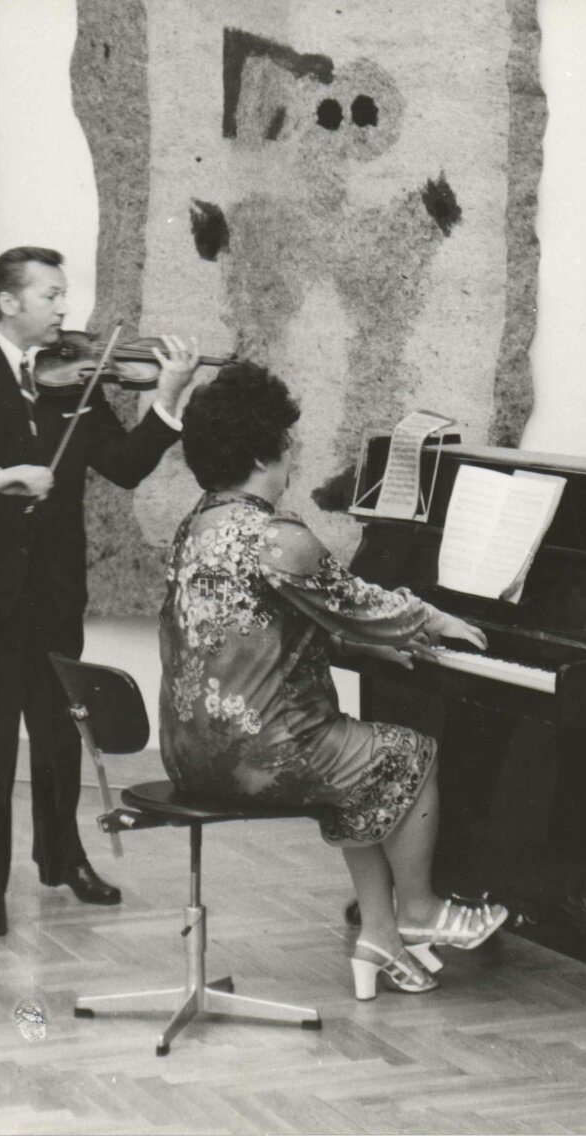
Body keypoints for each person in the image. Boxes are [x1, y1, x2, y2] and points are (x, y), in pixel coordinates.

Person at [159, 363, 508, 999]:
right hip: (262, 756)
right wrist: (430, 619)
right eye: (287, 441)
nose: (293, 453)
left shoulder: (197, 526)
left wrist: (366, 645)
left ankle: (379, 935)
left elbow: (262, 624)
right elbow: (357, 601)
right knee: (410, 753)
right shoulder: (274, 536)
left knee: (356, 762)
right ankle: (421, 910)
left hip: (189, 754)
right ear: (263, 454)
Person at [0, 246, 200, 937]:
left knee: (61, 739)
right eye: (51, 295)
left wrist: (167, 400)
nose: (65, 308)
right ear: (9, 302)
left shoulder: (73, 384)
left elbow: (124, 466)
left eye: (64, 294)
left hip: (52, 597)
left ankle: (63, 859)